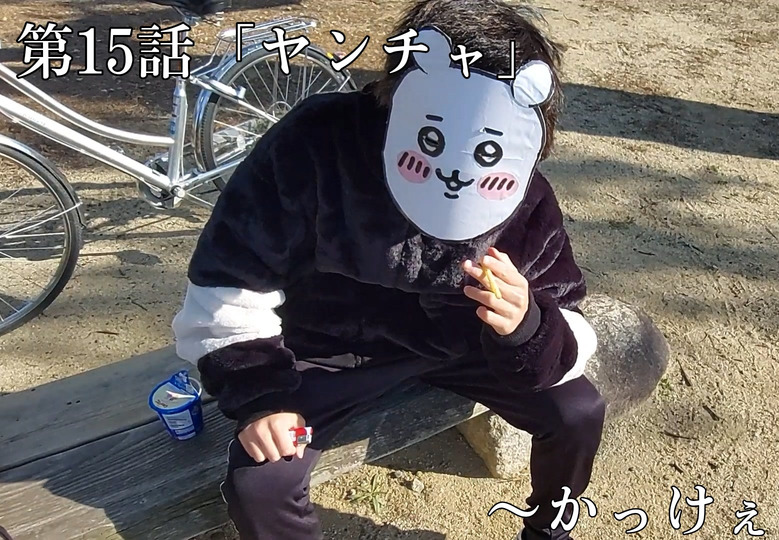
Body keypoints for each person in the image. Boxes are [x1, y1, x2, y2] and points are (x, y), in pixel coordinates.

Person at [171, 1, 605, 538]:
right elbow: (233, 273)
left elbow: (562, 301)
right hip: (323, 352)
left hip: (460, 344)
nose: (455, 172)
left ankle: (547, 532)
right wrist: (261, 394)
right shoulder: (317, 143)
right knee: (261, 484)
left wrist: (527, 324)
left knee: (578, 411)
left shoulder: (520, 189)